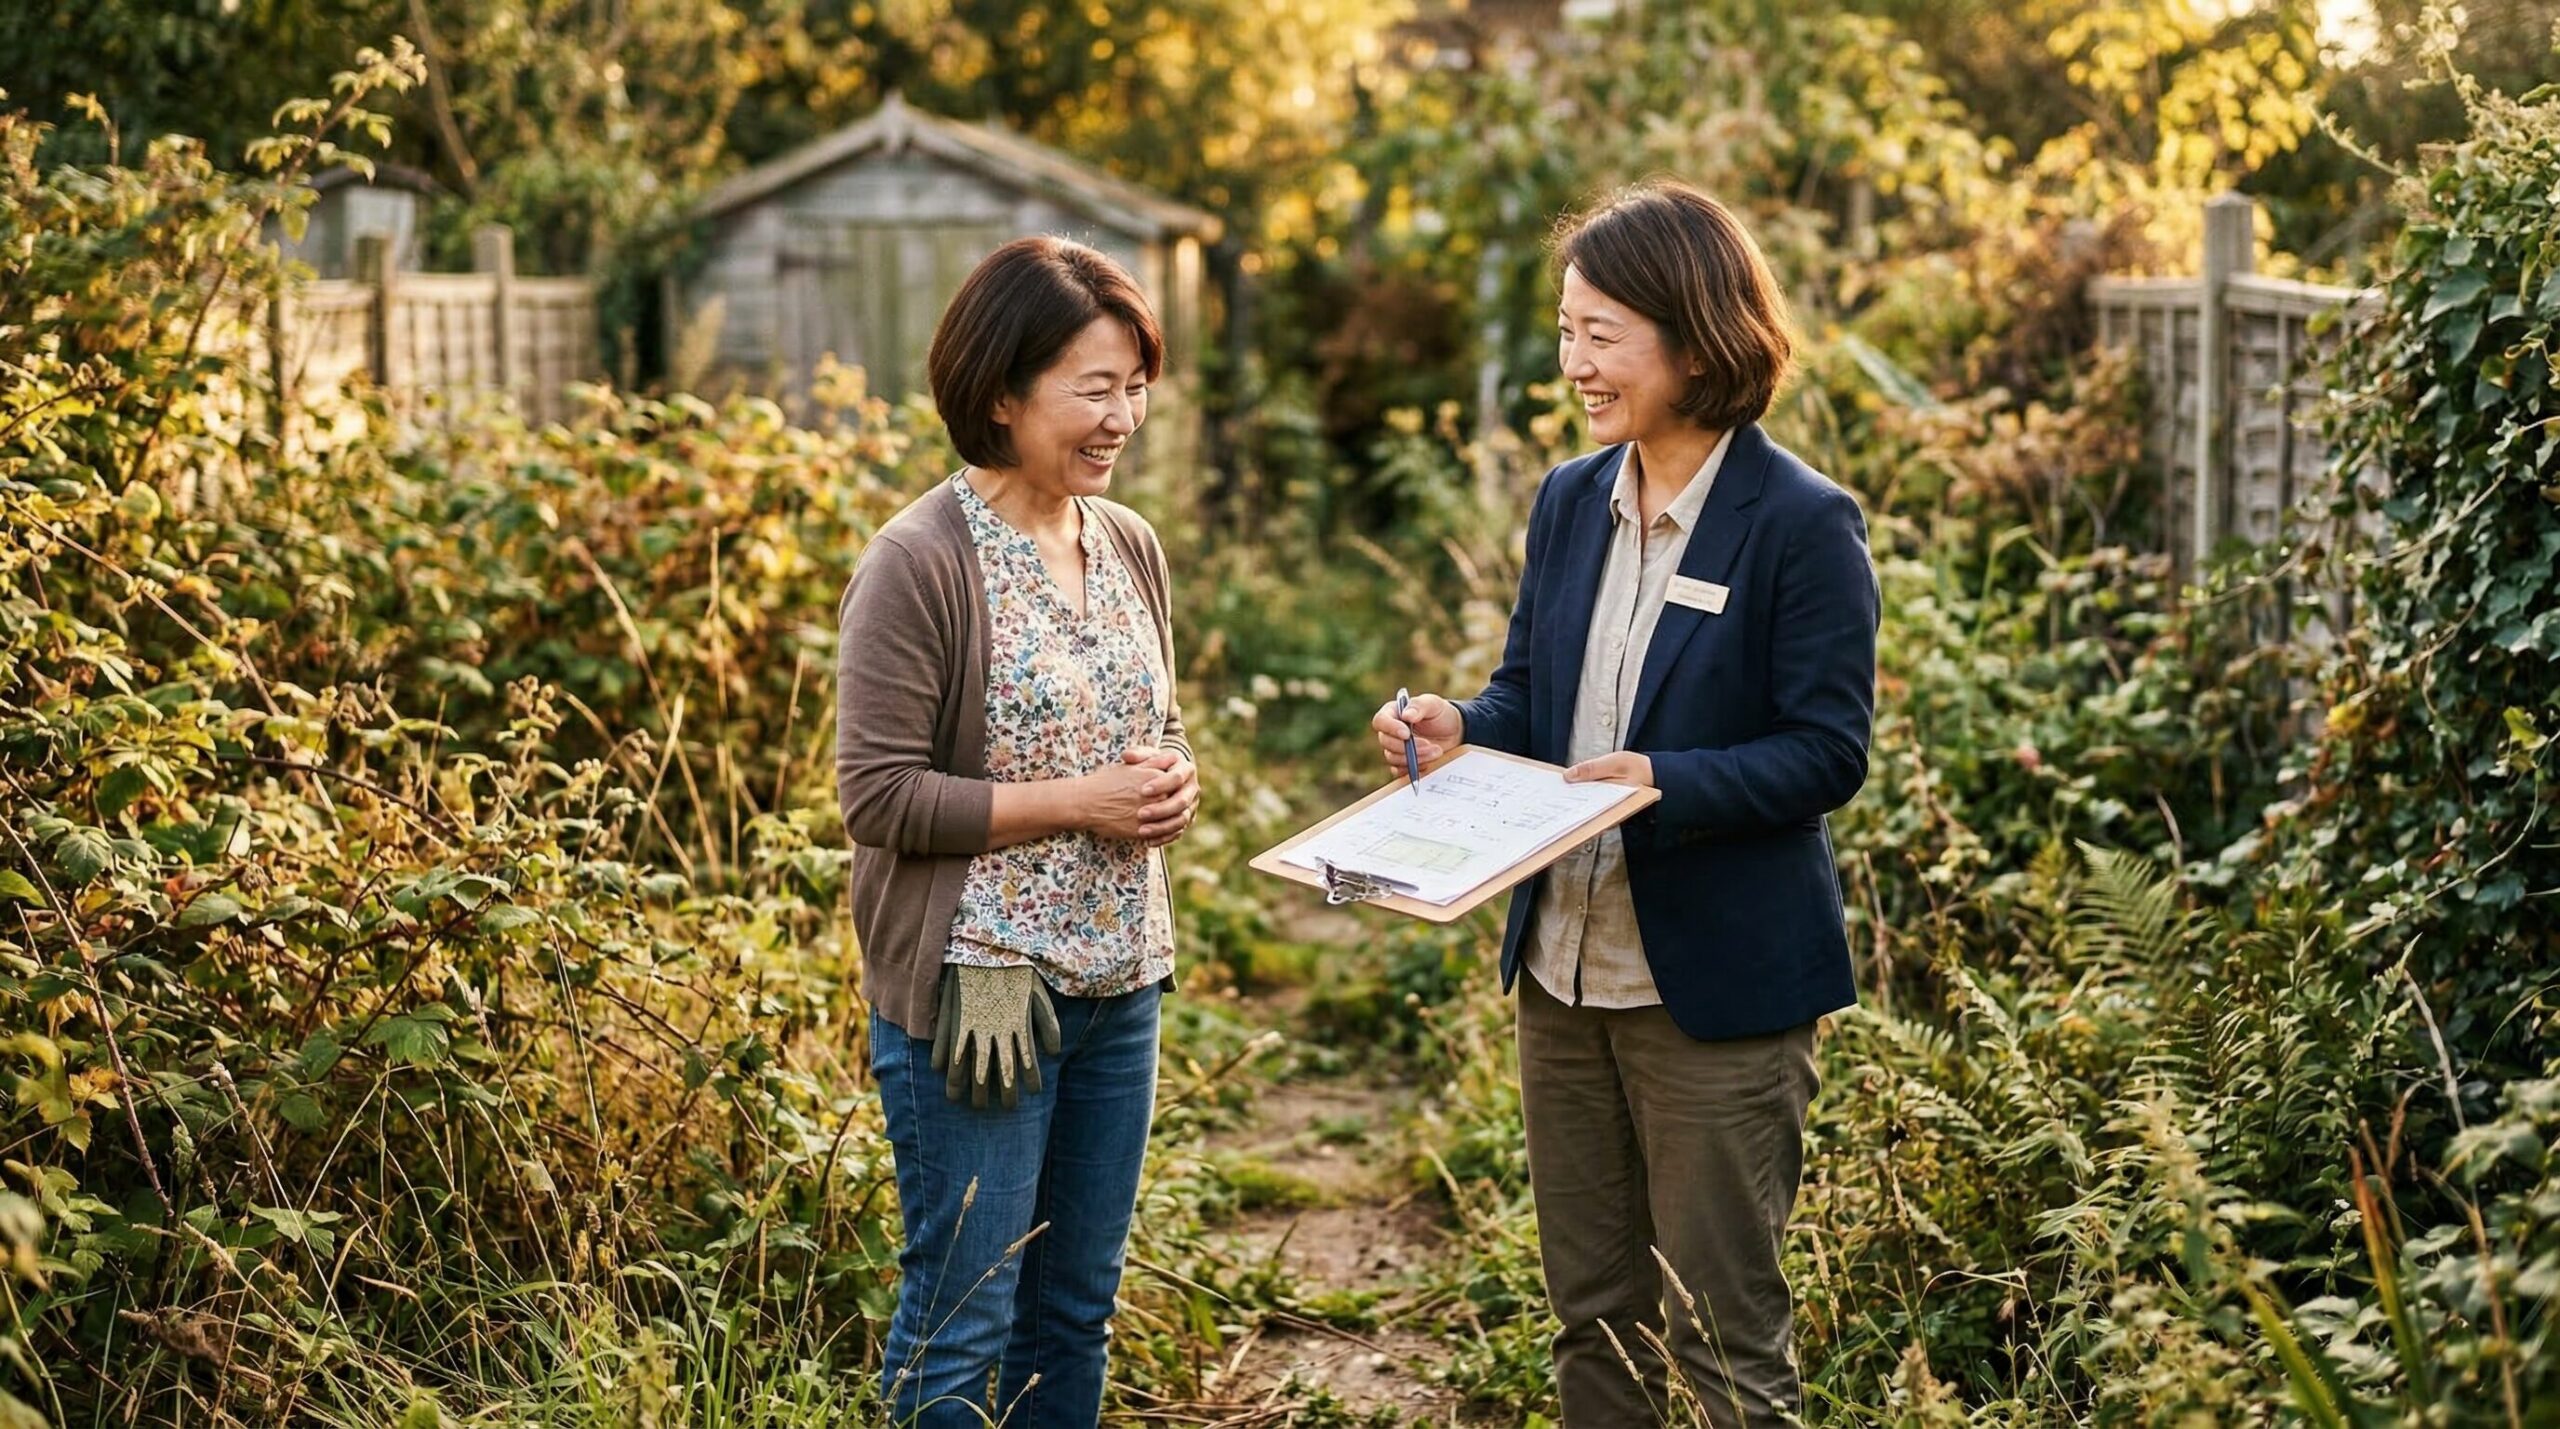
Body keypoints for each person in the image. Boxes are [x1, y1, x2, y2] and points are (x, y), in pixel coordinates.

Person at [1373, 181, 1879, 1426]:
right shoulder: (1568, 500)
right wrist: (1456, 726)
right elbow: (1528, 699)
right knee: (1592, 1313)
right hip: (1562, 973)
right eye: (1565, 328)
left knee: (1720, 1339)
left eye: (1601, 331)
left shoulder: (1801, 524)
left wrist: (1663, 787)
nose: (1575, 360)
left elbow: (1827, 752)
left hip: (1709, 995)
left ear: (1698, 338)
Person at [835, 236, 1200, 1429]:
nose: (1122, 416)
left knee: (1075, 1309)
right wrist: (1079, 802)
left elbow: (1150, 720)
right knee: (965, 1310)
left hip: (1121, 981)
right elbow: (878, 796)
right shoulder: (921, 561)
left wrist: (1165, 785)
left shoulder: (1125, 540)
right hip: (988, 982)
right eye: (1093, 388)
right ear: (1001, 392)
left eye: (1133, 387)